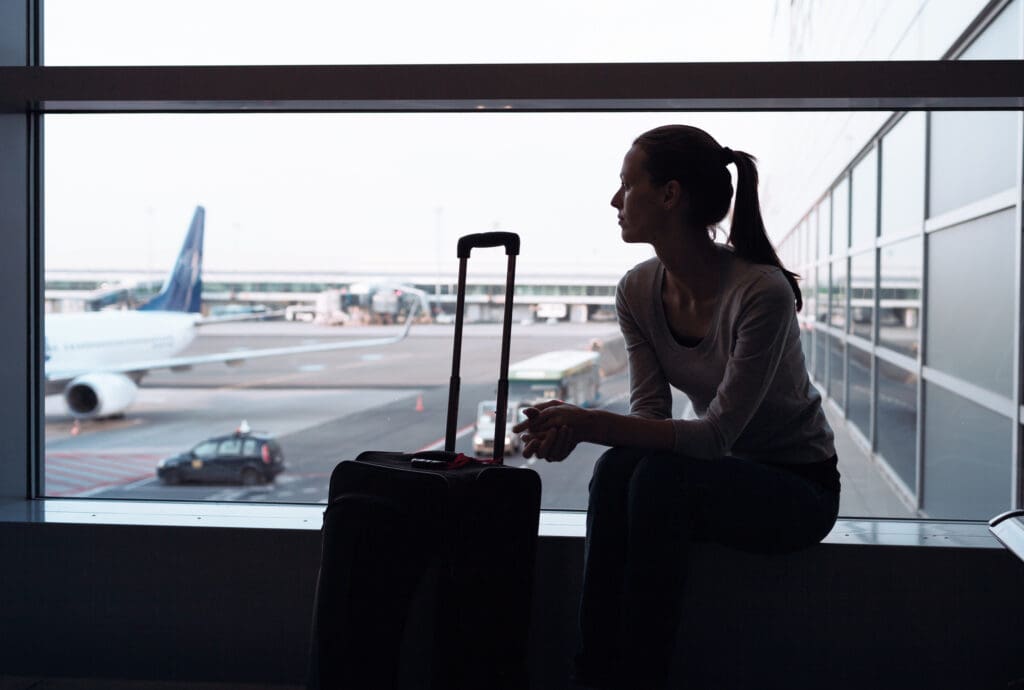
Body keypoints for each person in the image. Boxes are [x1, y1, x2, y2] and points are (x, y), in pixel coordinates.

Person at [512, 124, 840, 690]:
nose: (615, 201)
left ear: (670, 195)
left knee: (660, 481)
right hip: (720, 476)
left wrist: (587, 421)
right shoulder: (637, 290)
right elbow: (649, 419)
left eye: (626, 185)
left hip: (799, 488)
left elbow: (714, 438)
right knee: (617, 468)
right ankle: (591, 677)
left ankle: (636, 679)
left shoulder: (761, 293)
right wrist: (576, 429)